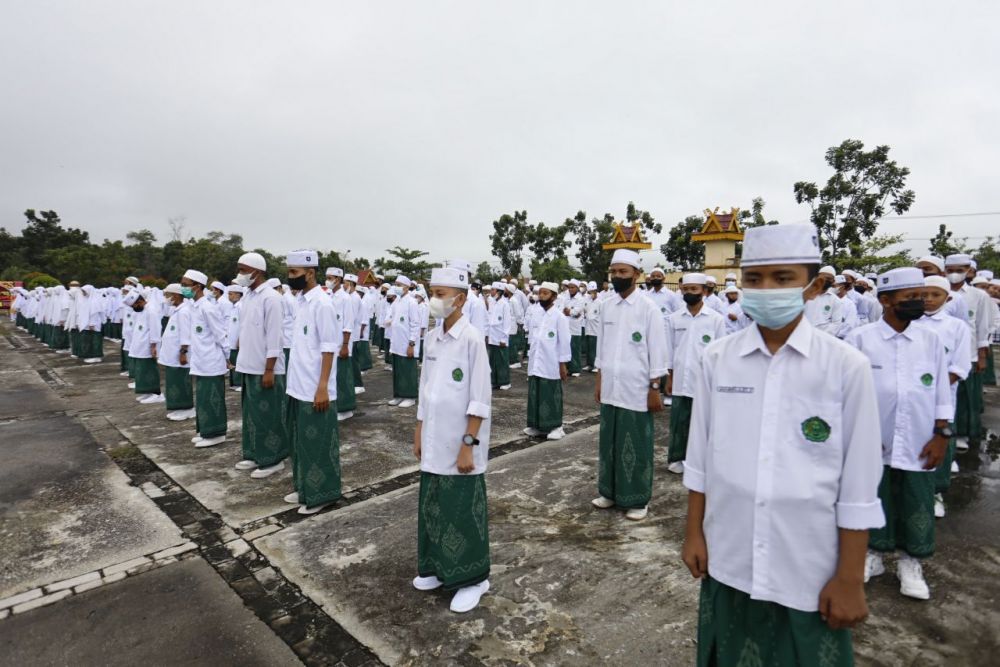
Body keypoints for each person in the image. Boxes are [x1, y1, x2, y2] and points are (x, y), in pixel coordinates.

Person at [681, 223, 884, 666]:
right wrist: (694, 531)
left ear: (811, 287)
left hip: (806, 560)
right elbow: (701, 457)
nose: (766, 289)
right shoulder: (718, 358)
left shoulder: (846, 366)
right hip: (729, 548)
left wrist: (850, 576)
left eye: (783, 278)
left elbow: (859, 483)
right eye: (754, 279)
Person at [845, 267, 951, 601]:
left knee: (916, 501)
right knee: (875, 497)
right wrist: (858, 433)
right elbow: (846, 393)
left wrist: (941, 434)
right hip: (874, 442)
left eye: (921, 296)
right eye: (911, 298)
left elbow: (941, 393)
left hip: (919, 439)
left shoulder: (930, 340)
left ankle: (910, 564)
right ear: (886, 301)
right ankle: (872, 557)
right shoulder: (861, 340)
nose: (919, 302)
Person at [412, 266, 492, 613]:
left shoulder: (472, 339)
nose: (434, 300)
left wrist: (468, 444)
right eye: (432, 292)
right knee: (434, 505)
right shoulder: (431, 338)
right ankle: (437, 566)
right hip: (433, 437)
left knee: (460, 508)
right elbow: (425, 389)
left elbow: (479, 398)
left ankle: (474, 579)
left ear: (460, 299)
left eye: (441, 294)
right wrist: (418, 428)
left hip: (461, 442)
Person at [592, 249, 667, 521]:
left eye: (623, 272)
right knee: (609, 443)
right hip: (611, 387)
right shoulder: (607, 305)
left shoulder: (649, 309)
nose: (617, 277)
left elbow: (658, 353)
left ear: (637, 274)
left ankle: (637, 498)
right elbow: (601, 347)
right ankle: (609, 492)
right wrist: (599, 380)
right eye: (614, 272)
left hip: (636, 389)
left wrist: (654, 388)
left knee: (635, 445)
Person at [284, 250, 342, 515]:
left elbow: (329, 348)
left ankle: (322, 494)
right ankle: (305, 487)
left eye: (294, 273)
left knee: (317, 442)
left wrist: (323, 386)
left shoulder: (323, 303)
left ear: (309, 273)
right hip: (298, 384)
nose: (290, 277)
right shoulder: (300, 301)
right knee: (300, 442)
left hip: (315, 387)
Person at [915, 276, 971, 518]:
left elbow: (959, 367)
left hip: (941, 398)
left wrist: (932, 390)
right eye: (923, 294)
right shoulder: (910, 323)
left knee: (937, 443)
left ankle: (936, 493)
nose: (928, 299)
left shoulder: (956, 327)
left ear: (947, 298)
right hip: (911, 397)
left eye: (934, 295)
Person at [233, 252, 290, 479]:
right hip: (249, 365)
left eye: (242, 269)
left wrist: (269, 369)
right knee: (251, 414)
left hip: (265, 368)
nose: (239, 274)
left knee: (268, 415)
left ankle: (273, 459)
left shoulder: (271, 298)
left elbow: (275, 337)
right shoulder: (248, 296)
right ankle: (255, 453)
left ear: (256, 271)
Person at [665, 273, 726, 475]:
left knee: (701, 421)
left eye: (694, 289)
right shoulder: (674, 319)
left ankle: (699, 460)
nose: (689, 292)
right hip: (681, 377)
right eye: (686, 289)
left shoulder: (716, 320)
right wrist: (670, 377)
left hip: (705, 379)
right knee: (678, 420)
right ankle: (676, 457)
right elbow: (669, 350)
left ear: (704, 291)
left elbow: (720, 353)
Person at [944, 254, 992, 450]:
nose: (955, 274)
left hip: (968, 352)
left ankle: (962, 434)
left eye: (960, 269)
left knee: (965, 397)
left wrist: (981, 356)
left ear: (969, 270)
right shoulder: (936, 292)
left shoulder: (978, 295)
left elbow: (983, 327)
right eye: (950, 270)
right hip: (942, 354)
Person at [182, 269, 229, 448]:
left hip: (211, 361)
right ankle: (205, 430)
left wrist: (227, 357)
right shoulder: (194, 307)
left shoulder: (208, 308)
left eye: (186, 285)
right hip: (200, 361)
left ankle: (216, 433)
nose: (183, 288)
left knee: (212, 398)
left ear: (197, 286)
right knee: (202, 399)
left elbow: (220, 335)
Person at [523, 281, 571, 441]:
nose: (541, 296)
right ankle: (537, 426)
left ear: (554, 296)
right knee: (536, 393)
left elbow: (564, 342)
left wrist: (563, 364)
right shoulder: (537, 314)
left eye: (545, 293)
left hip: (551, 362)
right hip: (536, 360)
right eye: (540, 293)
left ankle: (557, 426)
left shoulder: (559, 317)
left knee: (550, 393)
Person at [159, 283, 196, 421]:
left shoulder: (184, 311)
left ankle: (187, 408)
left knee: (181, 381)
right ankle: (179, 408)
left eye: (168, 295)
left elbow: (185, 334)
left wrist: (183, 352)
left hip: (179, 355)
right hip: (172, 355)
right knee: (174, 381)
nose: (166, 298)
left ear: (175, 295)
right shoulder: (178, 310)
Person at [123, 287, 165, 404]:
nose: (134, 309)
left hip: (148, 346)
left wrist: (153, 346)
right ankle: (147, 392)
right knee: (142, 370)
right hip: (140, 346)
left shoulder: (151, 310)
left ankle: (157, 393)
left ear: (139, 301)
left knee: (149, 370)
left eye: (134, 306)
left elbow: (155, 329)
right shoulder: (142, 311)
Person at [326, 267, 357, 422]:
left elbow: (348, 324)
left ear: (337, 279)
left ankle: (346, 409)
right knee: (333, 377)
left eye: (330, 277)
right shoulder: (329, 296)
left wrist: (345, 345)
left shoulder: (346, 298)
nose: (327, 280)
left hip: (341, 345)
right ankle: (336, 405)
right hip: (330, 345)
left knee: (343, 377)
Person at [386, 276, 421, 408]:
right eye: (395, 284)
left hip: (407, 343)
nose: (396, 287)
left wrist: (411, 343)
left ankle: (410, 396)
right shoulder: (396, 302)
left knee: (407, 370)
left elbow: (415, 324)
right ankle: (399, 395)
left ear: (407, 287)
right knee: (398, 371)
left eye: (399, 285)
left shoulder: (412, 302)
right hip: (396, 343)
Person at [486, 281, 512, 391]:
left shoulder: (504, 304)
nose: (491, 291)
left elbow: (507, 323)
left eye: (493, 289)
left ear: (499, 292)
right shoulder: (492, 302)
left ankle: (505, 381)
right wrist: (487, 335)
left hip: (500, 337)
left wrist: (504, 338)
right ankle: (494, 381)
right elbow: (489, 319)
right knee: (492, 361)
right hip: (492, 336)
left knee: (502, 361)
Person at [804, 266, 843, 336]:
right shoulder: (805, 294)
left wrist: (820, 336)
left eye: (829, 279)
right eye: (823, 277)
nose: (825, 280)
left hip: (821, 338)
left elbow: (836, 324)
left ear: (833, 281)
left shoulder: (835, 300)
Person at [563, 280, 585, 376]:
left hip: (575, 327)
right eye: (569, 287)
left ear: (577, 288)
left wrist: (570, 312)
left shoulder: (580, 299)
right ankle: (568, 368)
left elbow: (576, 312)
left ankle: (576, 369)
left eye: (573, 287)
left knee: (575, 348)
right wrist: (570, 312)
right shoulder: (566, 297)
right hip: (566, 326)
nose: (571, 289)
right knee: (567, 348)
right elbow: (563, 310)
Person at [226, 285, 244, 392]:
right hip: (231, 341)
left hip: (237, 341)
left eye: (231, 294)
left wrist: (240, 339)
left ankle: (239, 383)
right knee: (233, 360)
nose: (229, 296)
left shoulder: (241, 306)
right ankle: (234, 383)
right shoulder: (233, 307)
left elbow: (243, 324)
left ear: (238, 294)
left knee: (238, 360)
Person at [583, 282, 602, 372]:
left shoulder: (600, 302)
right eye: (590, 292)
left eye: (593, 291)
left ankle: (596, 366)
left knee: (595, 348)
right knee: (589, 347)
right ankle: (589, 364)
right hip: (588, 327)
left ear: (596, 291)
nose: (591, 293)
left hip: (596, 328)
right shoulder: (588, 301)